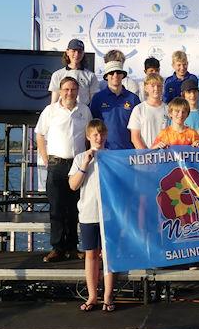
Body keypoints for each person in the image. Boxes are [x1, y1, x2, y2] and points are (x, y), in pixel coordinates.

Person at [35, 77, 92, 262]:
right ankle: (57, 248)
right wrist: (45, 159)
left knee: (75, 208)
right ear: (60, 91)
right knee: (57, 208)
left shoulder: (84, 110)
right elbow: (40, 135)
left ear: (78, 91)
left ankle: (73, 247)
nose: (70, 93)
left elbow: (87, 137)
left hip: (77, 166)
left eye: (73, 89)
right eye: (66, 89)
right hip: (56, 164)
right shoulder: (50, 111)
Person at [69, 119, 115, 312]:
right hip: (88, 213)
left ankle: (108, 296)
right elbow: (73, 185)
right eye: (95, 134)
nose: (99, 137)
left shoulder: (113, 157)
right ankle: (92, 295)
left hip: (109, 214)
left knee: (109, 256)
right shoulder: (80, 157)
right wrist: (85, 164)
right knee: (91, 255)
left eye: (102, 133)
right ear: (88, 137)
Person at [89, 60, 140, 150]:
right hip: (105, 151)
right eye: (112, 73)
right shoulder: (98, 98)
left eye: (118, 72)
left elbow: (139, 127)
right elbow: (93, 126)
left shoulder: (133, 99)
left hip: (129, 151)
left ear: (122, 75)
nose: (115, 75)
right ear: (106, 77)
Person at [49, 39, 99, 106]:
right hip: (63, 114)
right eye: (74, 51)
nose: (76, 54)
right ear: (67, 52)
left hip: (83, 114)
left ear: (83, 53)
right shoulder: (57, 75)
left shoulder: (91, 76)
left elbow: (94, 102)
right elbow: (54, 102)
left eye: (79, 51)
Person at [127, 72, 167, 149]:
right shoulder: (138, 109)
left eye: (159, 86)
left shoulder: (168, 109)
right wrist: (146, 154)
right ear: (146, 88)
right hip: (145, 157)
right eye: (152, 86)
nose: (156, 89)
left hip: (165, 157)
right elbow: (135, 138)